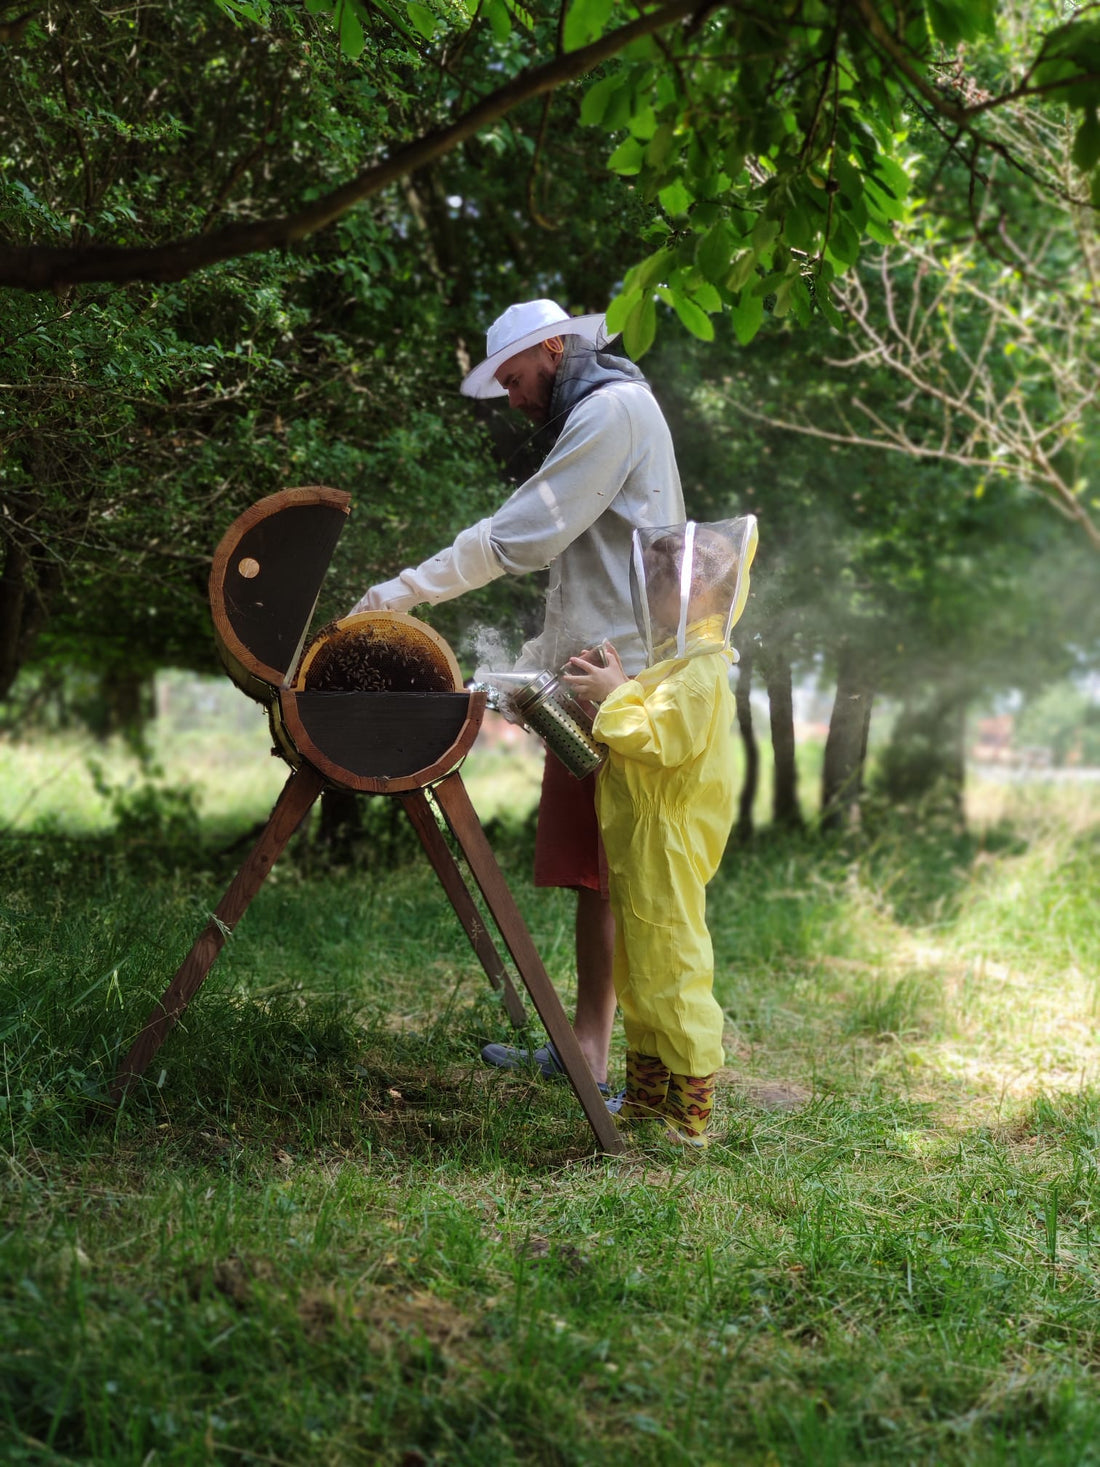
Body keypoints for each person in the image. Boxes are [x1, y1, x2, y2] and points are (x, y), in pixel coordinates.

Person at [350, 299, 686, 1091]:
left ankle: (643, 1067)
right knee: (593, 877)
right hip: (593, 671)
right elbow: (581, 573)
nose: (513, 396)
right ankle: (589, 1053)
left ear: (557, 349)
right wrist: (529, 665)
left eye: (515, 376)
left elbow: (521, 537)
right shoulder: (598, 414)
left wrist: (399, 593)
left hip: (622, 682)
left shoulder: (613, 410)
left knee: (620, 875)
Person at [561, 516, 759, 1147]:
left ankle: (691, 1114)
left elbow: (660, 739)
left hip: (666, 843)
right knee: (638, 971)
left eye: (658, 581)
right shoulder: (679, 664)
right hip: (642, 839)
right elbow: (645, 711)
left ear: (696, 590)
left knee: (674, 969)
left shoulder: (703, 672)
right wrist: (621, 679)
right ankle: (648, 1100)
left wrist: (616, 693)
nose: (648, 594)